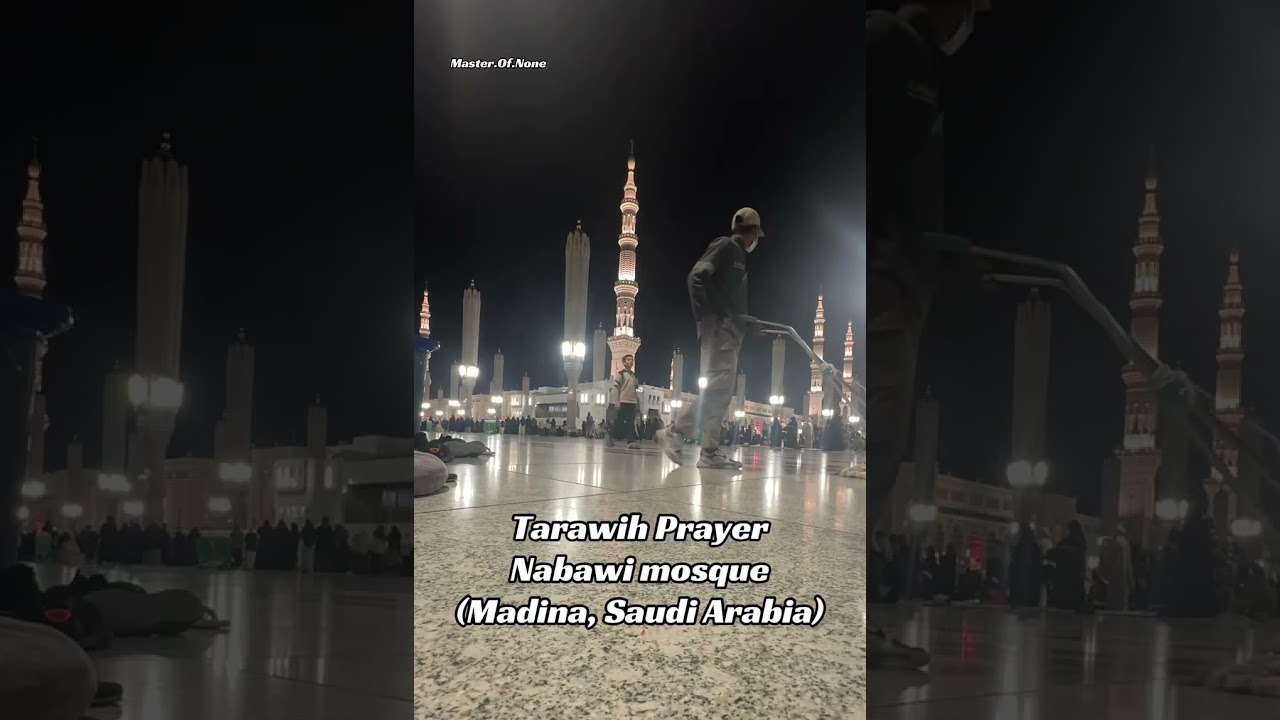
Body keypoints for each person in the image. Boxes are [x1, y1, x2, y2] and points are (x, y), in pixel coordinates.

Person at [866, 0, 991, 669]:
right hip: (887, 279)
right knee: (880, 443)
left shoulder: (907, 54)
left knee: (885, 447)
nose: (970, 22)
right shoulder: (895, 46)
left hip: (901, 277)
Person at [656, 208, 763, 469]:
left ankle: (709, 452)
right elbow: (696, 276)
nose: (755, 241)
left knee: (722, 391)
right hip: (720, 331)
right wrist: (709, 318)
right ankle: (674, 432)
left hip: (730, 331)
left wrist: (746, 324)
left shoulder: (739, 258)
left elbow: (729, 300)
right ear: (751, 232)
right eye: (755, 236)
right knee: (718, 387)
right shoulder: (726, 246)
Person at [608, 354, 642, 449]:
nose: (631, 361)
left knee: (631, 422)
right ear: (624, 362)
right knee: (619, 420)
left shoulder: (633, 376)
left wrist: (637, 402)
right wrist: (617, 401)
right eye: (628, 359)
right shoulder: (621, 374)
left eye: (632, 360)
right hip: (623, 401)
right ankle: (610, 437)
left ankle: (630, 442)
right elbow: (617, 388)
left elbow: (634, 390)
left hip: (632, 402)